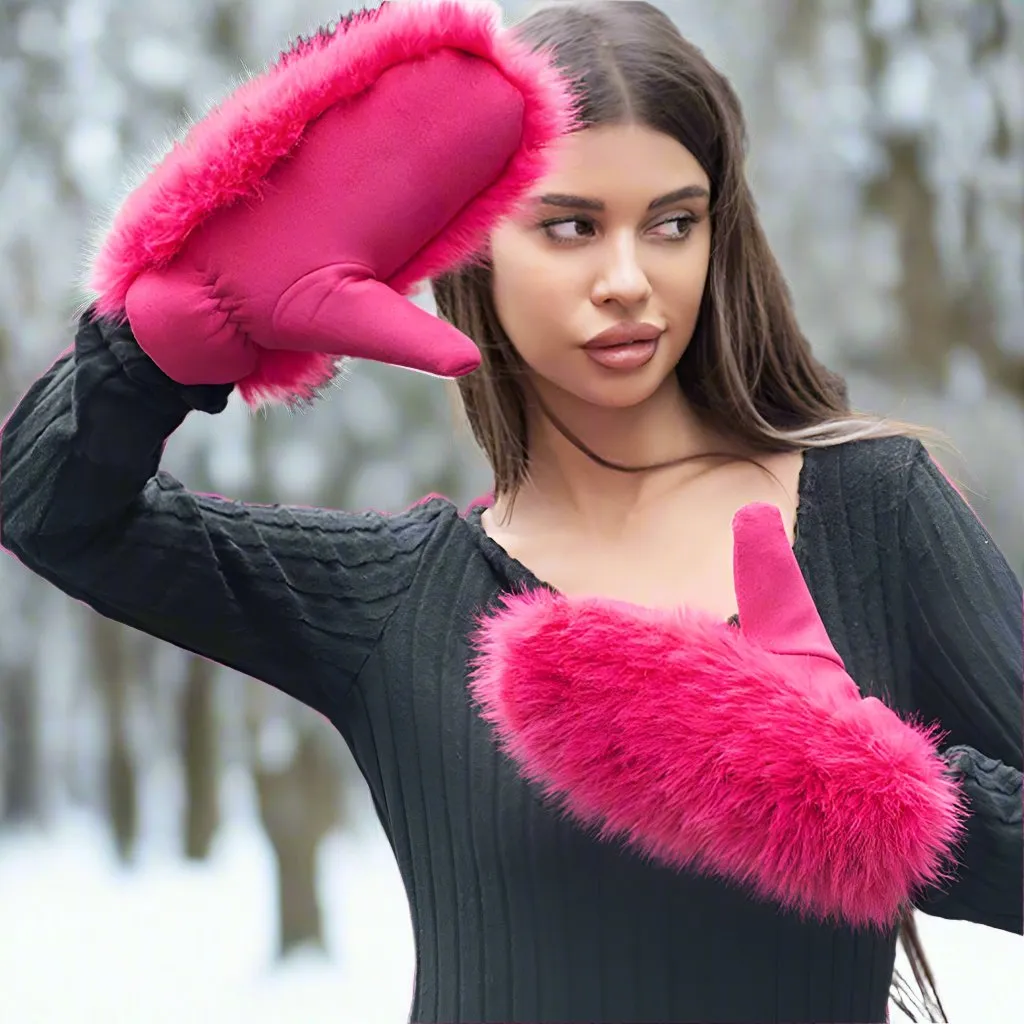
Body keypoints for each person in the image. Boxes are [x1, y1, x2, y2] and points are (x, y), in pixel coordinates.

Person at [1, 1, 1020, 1021]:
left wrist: (862, 792)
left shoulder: (872, 513)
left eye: (673, 222)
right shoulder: (398, 598)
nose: (628, 280)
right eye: (571, 226)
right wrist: (159, 343)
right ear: (478, 249)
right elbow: (52, 510)